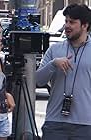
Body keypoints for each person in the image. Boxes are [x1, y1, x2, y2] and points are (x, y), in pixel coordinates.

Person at [36, 3, 91, 140]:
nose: (67, 26)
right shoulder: (54, 49)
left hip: (86, 125)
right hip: (55, 123)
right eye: (66, 21)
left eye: (72, 22)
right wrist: (53, 64)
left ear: (85, 25)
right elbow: (37, 80)